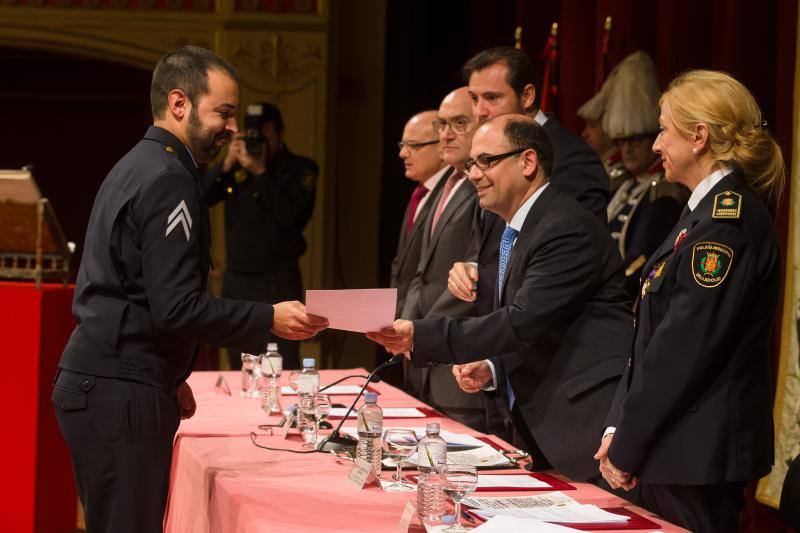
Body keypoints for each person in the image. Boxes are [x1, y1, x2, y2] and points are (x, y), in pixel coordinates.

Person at [52, 46, 328, 533]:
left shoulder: (137, 163)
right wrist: (269, 320)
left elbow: (130, 289)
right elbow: (175, 306)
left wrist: (168, 370)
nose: (232, 128)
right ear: (180, 104)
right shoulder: (170, 178)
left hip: (110, 380)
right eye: (223, 112)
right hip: (122, 390)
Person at [369, 115, 632, 482]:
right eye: (470, 164)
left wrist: (421, 335)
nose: (474, 174)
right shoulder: (517, 228)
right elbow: (544, 326)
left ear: (527, 162)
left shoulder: (564, 229)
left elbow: (522, 321)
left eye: (487, 161)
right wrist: (494, 367)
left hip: (584, 431)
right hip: (541, 430)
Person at [596, 70, 785, 533]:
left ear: (699, 136)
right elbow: (650, 339)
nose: (656, 143)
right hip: (675, 452)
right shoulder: (699, 214)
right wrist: (617, 428)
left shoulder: (725, 224)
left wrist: (627, 444)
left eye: (663, 129)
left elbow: (681, 349)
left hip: (695, 459)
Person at [448, 45, 611, 444]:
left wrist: (426, 335)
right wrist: (470, 266)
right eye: (474, 98)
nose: (481, 109)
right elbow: (494, 245)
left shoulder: (573, 161)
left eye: (492, 97)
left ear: (526, 97)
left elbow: (558, 267)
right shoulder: (489, 153)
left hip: (554, 381)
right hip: (498, 369)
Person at [204, 102, 318, 370]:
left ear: (280, 133)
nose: (258, 142)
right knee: (239, 362)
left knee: (283, 360)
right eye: (252, 135)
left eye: (265, 136)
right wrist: (224, 166)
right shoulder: (235, 167)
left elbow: (291, 218)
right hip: (237, 281)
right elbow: (199, 197)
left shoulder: (301, 169)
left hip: (277, 280)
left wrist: (259, 172)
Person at [400, 88, 487, 431]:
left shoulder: (481, 186)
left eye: (459, 123)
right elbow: (417, 273)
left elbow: (479, 271)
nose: (446, 134)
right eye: (442, 125)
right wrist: (406, 327)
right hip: (424, 357)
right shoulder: (442, 184)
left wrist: (421, 332)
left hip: (457, 362)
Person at [601, 52, 687, 301]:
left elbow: (643, 255)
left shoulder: (664, 191)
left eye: (635, 141)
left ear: (652, 140)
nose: (626, 149)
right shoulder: (617, 182)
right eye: (622, 142)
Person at [390, 110, 447, 316]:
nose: (403, 153)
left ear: (442, 145)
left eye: (413, 145)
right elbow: (402, 264)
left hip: (428, 321)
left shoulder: (450, 194)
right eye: (402, 145)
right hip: (403, 320)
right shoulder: (420, 192)